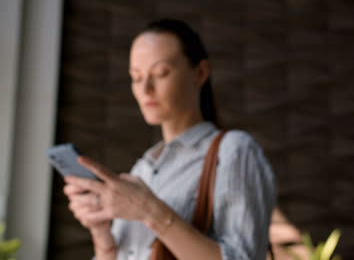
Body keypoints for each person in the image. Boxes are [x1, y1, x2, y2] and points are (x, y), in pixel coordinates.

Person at [63, 19, 276, 260]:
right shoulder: (142, 170)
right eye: (136, 77)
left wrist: (149, 210)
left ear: (200, 72)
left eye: (161, 73)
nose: (145, 88)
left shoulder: (233, 151)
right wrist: (101, 234)